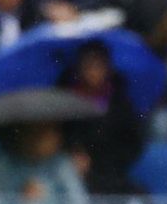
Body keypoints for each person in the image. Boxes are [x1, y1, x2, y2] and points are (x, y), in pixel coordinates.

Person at [60, 40, 147, 194]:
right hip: (73, 176)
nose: (93, 72)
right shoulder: (65, 101)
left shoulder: (121, 102)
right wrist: (72, 155)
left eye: (98, 66)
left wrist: (106, 162)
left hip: (111, 174)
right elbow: (60, 137)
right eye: (88, 66)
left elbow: (133, 142)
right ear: (79, 69)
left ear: (108, 68)